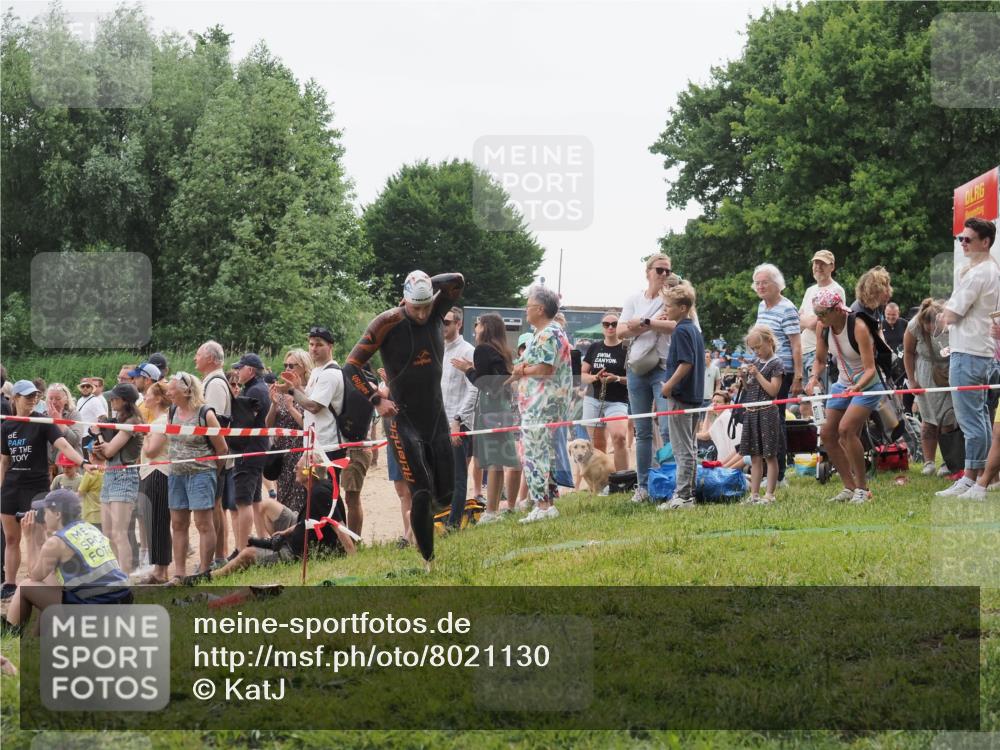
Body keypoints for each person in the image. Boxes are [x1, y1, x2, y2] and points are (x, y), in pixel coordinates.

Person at [342, 272, 465, 565]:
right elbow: (351, 367)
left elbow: (458, 280)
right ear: (405, 301)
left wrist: (426, 282)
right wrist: (377, 399)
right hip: (402, 419)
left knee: (446, 494)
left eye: (426, 305)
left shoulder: (437, 310)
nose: (422, 314)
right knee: (419, 490)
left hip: (435, 416)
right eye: (415, 307)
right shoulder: (388, 322)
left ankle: (423, 533)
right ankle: (428, 560)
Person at [199, 456, 356, 582]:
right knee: (267, 508)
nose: (295, 468)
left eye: (299, 466)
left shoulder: (319, 493)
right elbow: (310, 521)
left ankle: (212, 576)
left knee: (248, 554)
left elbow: (338, 526)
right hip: (298, 540)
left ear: (309, 471)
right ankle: (269, 547)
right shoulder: (318, 487)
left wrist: (353, 562)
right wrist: (286, 532)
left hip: (296, 553)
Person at [1, 381, 89, 601]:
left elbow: (64, 446)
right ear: (15, 399)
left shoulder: (43, 422)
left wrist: (83, 463)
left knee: (39, 539)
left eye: (34, 396)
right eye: (27, 396)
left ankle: (40, 580)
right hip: (11, 488)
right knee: (11, 538)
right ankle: (10, 583)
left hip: (37, 488)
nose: (32, 399)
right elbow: (4, 462)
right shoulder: (6, 426)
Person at [2, 490, 130, 636]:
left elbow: (34, 576)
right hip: (120, 603)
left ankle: (9, 638)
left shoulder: (56, 543)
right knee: (48, 586)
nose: (42, 515)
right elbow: (50, 579)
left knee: (25, 587)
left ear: (57, 514)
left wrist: (30, 537)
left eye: (46, 511)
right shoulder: (90, 528)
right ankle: (36, 643)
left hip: (94, 611)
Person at [936, 218, 1000, 500]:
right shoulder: (990, 270)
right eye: (961, 239)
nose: (962, 243)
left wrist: (945, 314)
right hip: (981, 352)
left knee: (971, 422)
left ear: (985, 242)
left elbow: (952, 314)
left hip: (969, 353)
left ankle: (972, 480)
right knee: (981, 420)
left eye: (968, 239)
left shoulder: (978, 274)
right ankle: (978, 478)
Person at [806, 289, 882, 504]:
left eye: (822, 313)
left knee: (846, 430)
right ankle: (848, 487)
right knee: (827, 434)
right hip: (843, 383)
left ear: (837, 310)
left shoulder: (858, 327)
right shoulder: (823, 327)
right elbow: (820, 360)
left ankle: (862, 489)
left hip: (867, 385)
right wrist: (813, 378)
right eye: (816, 313)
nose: (818, 318)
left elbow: (870, 368)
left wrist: (857, 387)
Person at [507, 286, 573, 523]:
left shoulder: (548, 334)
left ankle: (543, 505)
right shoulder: (546, 332)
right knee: (544, 455)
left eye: (528, 306)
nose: (526, 310)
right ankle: (546, 505)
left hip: (541, 406)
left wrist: (522, 369)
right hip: (541, 405)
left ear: (540, 309)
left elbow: (545, 369)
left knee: (535, 455)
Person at [451, 313, 522, 523]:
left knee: (493, 461)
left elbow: (486, 385)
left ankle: (491, 512)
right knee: (500, 461)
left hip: (490, 408)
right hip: (503, 408)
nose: (475, 329)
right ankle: (500, 509)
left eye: (478, 325)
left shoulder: (483, 349)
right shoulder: (502, 350)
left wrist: (468, 370)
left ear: (486, 328)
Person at [617, 254, 676, 503]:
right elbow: (620, 332)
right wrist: (650, 323)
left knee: (667, 426)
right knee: (642, 431)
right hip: (636, 368)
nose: (663, 275)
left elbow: (674, 325)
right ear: (648, 271)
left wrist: (639, 324)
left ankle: (670, 482)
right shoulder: (633, 299)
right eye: (659, 270)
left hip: (663, 366)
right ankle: (642, 486)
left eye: (667, 271)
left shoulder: (671, 298)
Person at [165, 372, 228, 581]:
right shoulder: (172, 410)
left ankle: (203, 571)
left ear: (186, 390)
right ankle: (180, 574)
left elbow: (222, 448)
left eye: (172, 389)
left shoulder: (205, 414)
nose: (168, 392)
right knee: (178, 523)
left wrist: (212, 473)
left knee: (203, 523)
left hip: (201, 474)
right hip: (176, 475)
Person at [752, 263, 802, 487]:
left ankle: (779, 474)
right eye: (757, 283)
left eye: (765, 282)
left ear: (776, 284)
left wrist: (799, 375)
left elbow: (796, 344)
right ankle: (769, 471)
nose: (760, 286)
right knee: (765, 420)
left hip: (782, 371)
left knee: (775, 420)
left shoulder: (787, 308)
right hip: (764, 369)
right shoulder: (762, 307)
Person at [658, 282, 705, 510]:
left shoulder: (681, 330)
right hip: (694, 395)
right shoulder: (693, 330)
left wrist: (668, 386)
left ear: (683, 307)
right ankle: (689, 493)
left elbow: (686, 363)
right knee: (690, 447)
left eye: (669, 306)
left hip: (682, 396)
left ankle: (683, 495)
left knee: (682, 448)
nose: (665, 310)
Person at [91, 383, 144, 574]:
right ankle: (116, 574)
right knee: (108, 533)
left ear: (125, 401)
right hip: (111, 473)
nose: (111, 401)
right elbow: (105, 452)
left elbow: (111, 449)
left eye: (114, 398)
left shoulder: (133, 421)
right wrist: (99, 445)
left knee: (120, 533)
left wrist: (98, 435)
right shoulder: (120, 420)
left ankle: (125, 578)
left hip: (125, 475)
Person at [194, 339, 236, 566]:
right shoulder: (212, 381)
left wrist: (211, 454)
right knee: (216, 506)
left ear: (210, 358)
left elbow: (215, 421)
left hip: (215, 456)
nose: (195, 358)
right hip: (215, 455)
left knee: (215, 507)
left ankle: (217, 556)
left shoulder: (216, 384)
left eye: (198, 355)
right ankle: (219, 555)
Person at [902, 298, 954, 476]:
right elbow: (908, 353)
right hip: (925, 373)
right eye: (928, 326)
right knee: (928, 419)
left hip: (949, 371)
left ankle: (948, 461)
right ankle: (929, 462)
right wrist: (912, 380)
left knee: (949, 419)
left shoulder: (952, 320)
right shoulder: (913, 326)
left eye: (935, 325)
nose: (932, 329)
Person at [736, 327, 784, 504]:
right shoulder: (756, 362)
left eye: (758, 347)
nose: (756, 351)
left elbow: (772, 390)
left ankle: (769, 494)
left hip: (767, 413)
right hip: (752, 413)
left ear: (770, 342)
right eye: (753, 349)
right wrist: (743, 378)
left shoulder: (776, 363)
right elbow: (751, 389)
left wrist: (757, 374)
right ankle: (754, 494)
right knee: (754, 456)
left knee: (769, 455)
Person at [229, 353, 271, 549]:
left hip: (249, 449)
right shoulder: (259, 388)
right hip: (258, 447)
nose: (237, 372)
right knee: (254, 499)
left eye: (240, 368)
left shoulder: (254, 391)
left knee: (243, 502)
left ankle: (241, 548)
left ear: (250, 370)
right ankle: (261, 540)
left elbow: (243, 424)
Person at [441, 306, 478, 528]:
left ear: (458, 324)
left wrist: (458, 419)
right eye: (441, 322)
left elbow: (475, 389)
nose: (443, 326)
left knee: (458, 476)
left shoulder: (468, 351)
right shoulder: (438, 349)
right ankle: (441, 518)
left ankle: (454, 524)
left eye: (447, 322)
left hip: (458, 423)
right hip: (438, 422)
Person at [798, 250, 846, 419]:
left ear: (832, 266)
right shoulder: (810, 290)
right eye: (815, 263)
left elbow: (817, 322)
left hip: (820, 352)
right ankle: (813, 440)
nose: (818, 267)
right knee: (805, 402)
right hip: (803, 351)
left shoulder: (836, 290)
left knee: (820, 400)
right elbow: (801, 319)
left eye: (822, 264)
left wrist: (808, 320)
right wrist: (807, 320)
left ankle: (825, 439)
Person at [580, 310, 629, 471]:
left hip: (618, 400)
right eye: (606, 324)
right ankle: (602, 482)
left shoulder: (626, 348)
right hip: (593, 398)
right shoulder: (594, 347)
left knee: (619, 437)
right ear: (602, 327)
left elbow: (634, 380)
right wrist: (595, 378)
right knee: (597, 444)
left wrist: (616, 378)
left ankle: (623, 480)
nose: (610, 327)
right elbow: (582, 374)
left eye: (614, 324)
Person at [133, 381, 171, 584]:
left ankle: (161, 571)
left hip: (158, 472)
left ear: (157, 398)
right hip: (151, 472)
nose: (145, 398)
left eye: (148, 394)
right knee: (154, 522)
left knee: (158, 522)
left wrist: (144, 436)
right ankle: (159, 568)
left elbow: (151, 450)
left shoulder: (160, 422)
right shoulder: (156, 421)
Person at [266, 348, 310, 513]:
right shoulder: (283, 390)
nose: (287, 369)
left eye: (292, 365)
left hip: (301, 455)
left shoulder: (308, 391)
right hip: (283, 457)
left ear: (304, 367)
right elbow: (268, 425)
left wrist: (291, 408)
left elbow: (309, 425)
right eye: (285, 365)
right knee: (283, 500)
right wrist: (274, 405)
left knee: (301, 500)